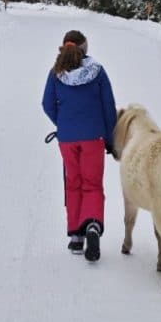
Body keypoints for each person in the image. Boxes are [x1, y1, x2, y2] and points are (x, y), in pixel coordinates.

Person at [41, 29, 118, 262]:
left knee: (73, 184)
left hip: (67, 140)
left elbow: (47, 104)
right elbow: (108, 107)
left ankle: (76, 236)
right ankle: (92, 224)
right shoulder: (98, 71)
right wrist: (110, 139)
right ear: (85, 49)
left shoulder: (56, 74)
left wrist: (63, 124)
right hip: (93, 138)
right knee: (92, 185)